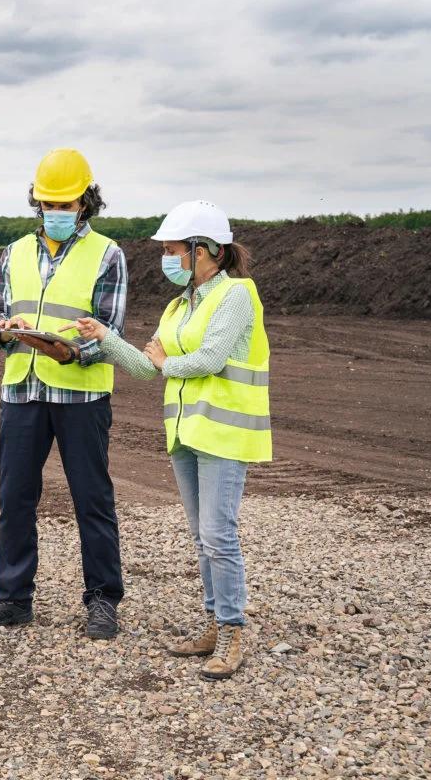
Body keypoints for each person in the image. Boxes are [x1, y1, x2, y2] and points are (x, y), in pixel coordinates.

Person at [73, 200, 271, 679]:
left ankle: (232, 631)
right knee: (203, 538)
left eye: (173, 248)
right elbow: (146, 366)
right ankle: (212, 624)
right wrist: (105, 336)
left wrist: (165, 362)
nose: (167, 257)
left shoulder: (238, 296)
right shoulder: (178, 305)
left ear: (207, 251)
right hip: (186, 432)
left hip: (224, 432)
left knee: (219, 535)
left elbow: (208, 359)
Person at [0, 148, 128, 639]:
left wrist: (72, 350)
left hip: (81, 398)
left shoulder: (108, 254)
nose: (57, 213)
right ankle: (13, 598)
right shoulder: (13, 252)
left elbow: (109, 329)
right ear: (37, 203)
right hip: (22, 391)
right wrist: (5, 330)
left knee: (92, 499)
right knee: (14, 496)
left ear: (86, 201)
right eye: (49, 204)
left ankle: (103, 600)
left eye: (67, 204)